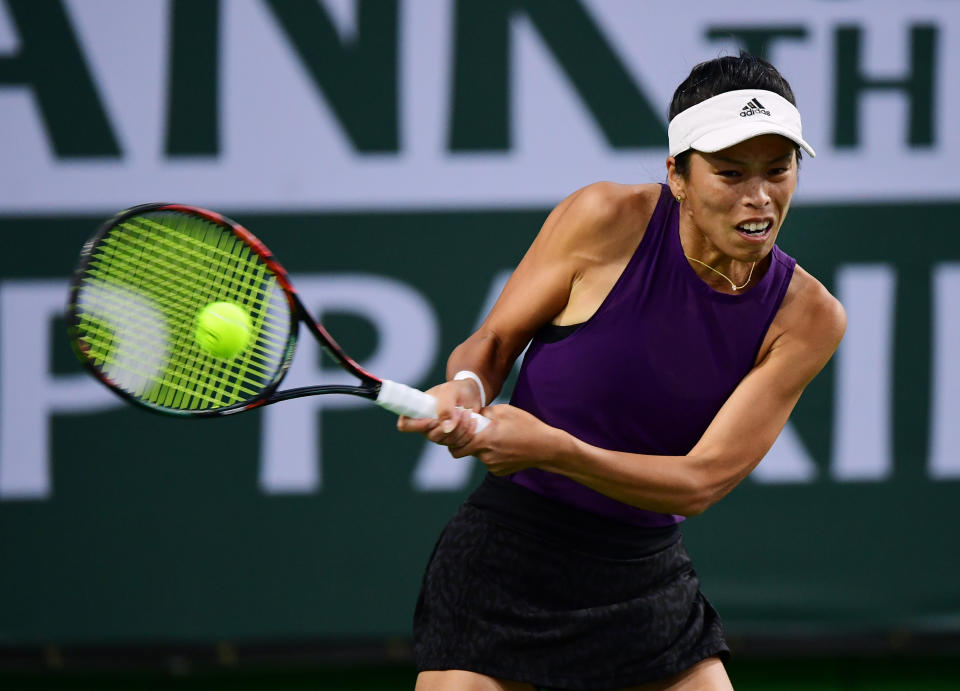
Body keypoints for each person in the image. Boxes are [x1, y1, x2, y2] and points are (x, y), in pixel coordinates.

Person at [399, 53, 846, 691]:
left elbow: (697, 483)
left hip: (645, 579)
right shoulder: (604, 218)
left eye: (779, 170)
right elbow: (495, 340)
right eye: (729, 172)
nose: (759, 196)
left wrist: (551, 448)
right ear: (678, 176)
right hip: (506, 565)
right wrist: (467, 387)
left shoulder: (808, 318)